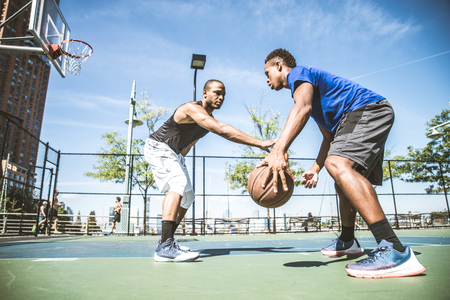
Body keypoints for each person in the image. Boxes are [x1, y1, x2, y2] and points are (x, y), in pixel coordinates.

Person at [260, 48, 425, 278]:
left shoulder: (299, 74)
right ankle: (348, 240)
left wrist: (279, 149)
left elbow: (302, 109)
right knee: (340, 177)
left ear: (279, 66)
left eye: (267, 72)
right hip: (360, 116)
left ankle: (394, 250)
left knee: (337, 164)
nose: (267, 80)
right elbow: (328, 138)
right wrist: (315, 168)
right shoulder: (315, 99)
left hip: (367, 110)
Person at [144, 79, 276, 262]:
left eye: (223, 95)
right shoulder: (191, 108)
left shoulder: (206, 121)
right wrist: (259, 143)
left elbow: (188, 144)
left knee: (188, 196)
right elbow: (221, 129)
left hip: (174, 153)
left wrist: (180, 160)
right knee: (178, 183)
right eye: (217, 93)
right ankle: (165, 246)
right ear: (205, 92)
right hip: (159, 147)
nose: (221, 97)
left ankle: (167, 242)